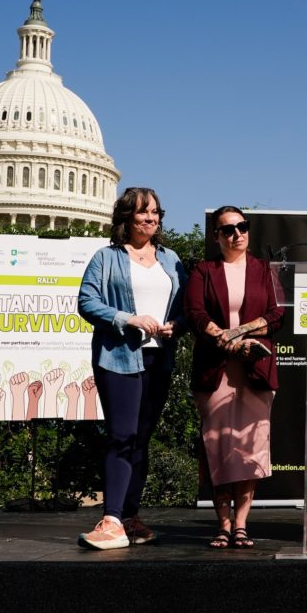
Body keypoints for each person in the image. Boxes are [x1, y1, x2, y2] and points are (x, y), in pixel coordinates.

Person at [76, 187, 186, 550]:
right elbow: (87, 302)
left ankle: (129, 517)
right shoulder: (106, 257)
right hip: (119, 358)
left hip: (159, 359)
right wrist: (128, 318)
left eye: (155, 212)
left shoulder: (171, 259)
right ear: (126, 217)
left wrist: (175, 325)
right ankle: (110, 519)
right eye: (142, 212)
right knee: (122, 436)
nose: (150, 218)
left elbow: (185, 308)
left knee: (141, 440)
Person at [185, 206, 283, 549]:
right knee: (219, 446)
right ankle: (222, 525)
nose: (237, 234)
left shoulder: (264, 270)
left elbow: (276, 315)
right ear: (216, 236)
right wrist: (226, 342)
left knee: (250, 447)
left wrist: (240, 335)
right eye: (228, 229)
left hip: (255, 370)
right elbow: (195, 313)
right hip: (215, 370)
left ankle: (241, 524)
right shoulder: (203, 270)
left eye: (242, 227)